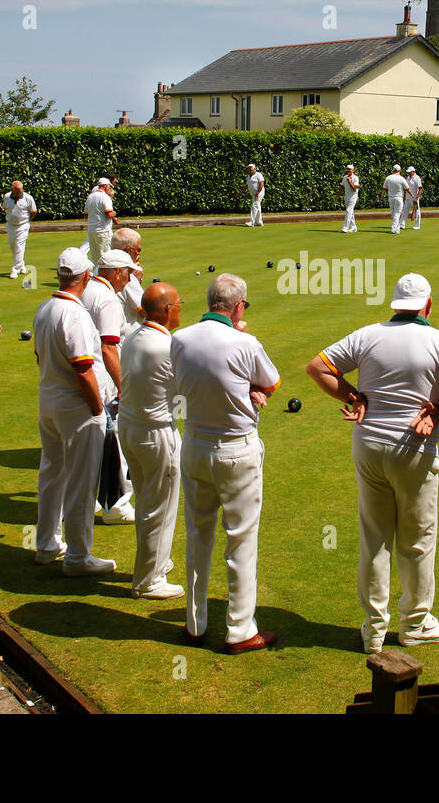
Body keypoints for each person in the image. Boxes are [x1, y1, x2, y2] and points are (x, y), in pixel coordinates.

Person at [305, 272, 439, 654]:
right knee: (417, 539)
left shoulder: (367, 334)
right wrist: (437, 415)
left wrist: (356, 397)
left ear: (395, 304)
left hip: (368, 444)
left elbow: (317, 368)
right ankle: (416, 624)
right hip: (414, 449)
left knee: (375, 538)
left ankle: (373, 631)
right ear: (428, 304)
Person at [171, 273, 280, 654]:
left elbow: (190, 380)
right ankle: (239, 630)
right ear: (238, 307)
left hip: (195, 445)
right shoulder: (245, 342)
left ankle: (195, 624)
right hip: (237, 450)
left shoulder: (180, 338)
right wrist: (248, 387)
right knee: (241, 541)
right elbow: (272, 382)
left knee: (198, 535)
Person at [32, 247, 117, 577]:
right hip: (76, 408)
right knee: (81, 482)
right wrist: (97, 409)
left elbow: (41, 359)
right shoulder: (76, 315)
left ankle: (46, 544)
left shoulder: (44, 309)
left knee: (52, 474)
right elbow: (84, 369)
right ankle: (79, 556)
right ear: (86, 277)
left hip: (49, 402)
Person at [118, 281, 185, 599]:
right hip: (155, 432)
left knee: (147, 501)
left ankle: (155, 561)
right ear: (169, 310)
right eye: (179, 305)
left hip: (130, 427)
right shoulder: (166, 346)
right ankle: (148, 580)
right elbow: (186, 392)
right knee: (159, 506)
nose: (180, 310)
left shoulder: (133, 336)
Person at [80, 249, 138, 525]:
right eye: (127, 274)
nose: (128, 281)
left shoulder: (85, 290)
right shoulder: (108, 299)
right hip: (102, 381)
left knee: (90, 444)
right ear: (117, 273)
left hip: (82, 379)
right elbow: (108, 346)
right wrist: (122, 385)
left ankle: (88, 500)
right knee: (114, 442)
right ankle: (116, 505)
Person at [111, 227, 145, 332]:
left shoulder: (101, 267)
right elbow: (145, 312)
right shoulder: (127, 276)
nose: (139, 253)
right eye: (138, 250)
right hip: (127, 338)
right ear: (128, 250)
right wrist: (135, 281)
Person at [2, 180, 37, 279]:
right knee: (13, 247)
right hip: (10, 225)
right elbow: (5, 208)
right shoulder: (6, 197)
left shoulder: (28, 198)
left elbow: (33, 211)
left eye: (21, 191)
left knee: (19, 246)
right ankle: (21, 265)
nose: (19, 193)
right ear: (12, 190)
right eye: (17, 191)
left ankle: (15, 270)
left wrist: (26, 221)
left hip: (23, 226)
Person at [84, 178, 117, 258]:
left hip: (92, 231)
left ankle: (96, 271)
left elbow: (86, 216)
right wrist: (114, 213)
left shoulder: (90, 197)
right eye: (109, 187)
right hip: (103, 231)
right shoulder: (105, 197)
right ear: (105, 186)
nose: (109, 189)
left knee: (95, 257)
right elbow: (109, 214)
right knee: (106, 257)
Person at [382, 164, 408, 234]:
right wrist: (412, 195)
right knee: (397, 214)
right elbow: (407, 189)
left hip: (391, 198)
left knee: (394, 214)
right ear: (399, 170)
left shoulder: (388, 178)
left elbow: (384, 189)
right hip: (399, 198)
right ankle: (394, 229)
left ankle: (397, 229)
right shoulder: (401, 178)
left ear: (393, 170)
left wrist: (381, 197)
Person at [339, 164, 359, 233]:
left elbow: (354, 189)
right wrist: (337, 195)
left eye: (350, 169)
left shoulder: (356, 178)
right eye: (348, 169)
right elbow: (342, 187)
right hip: (346, 196)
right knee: (351, 212)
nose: (349, 170)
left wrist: (349, 182)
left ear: (353, 170)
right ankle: (354, 227)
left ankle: (345, 227)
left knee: (348, 211)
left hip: (353, 196)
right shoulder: (345, 177)